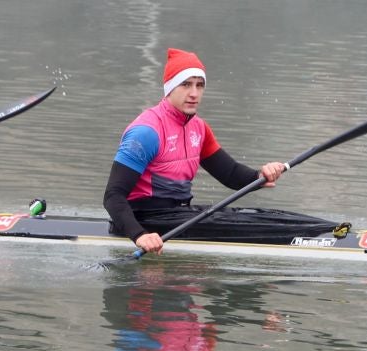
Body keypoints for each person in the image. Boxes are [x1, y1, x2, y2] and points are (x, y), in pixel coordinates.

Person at [105, 47, 336, 254]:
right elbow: (112, 196)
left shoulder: (199, 128)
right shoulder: (146, 132)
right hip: (146, 221)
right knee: (247, 226)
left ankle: (332, 233)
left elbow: (231, 174)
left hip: (178, 215)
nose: (194, 93)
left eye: (200, 85)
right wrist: (140, 235)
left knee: (267, 216)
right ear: (169, 88)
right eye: (186, 84)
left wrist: (260, 175)